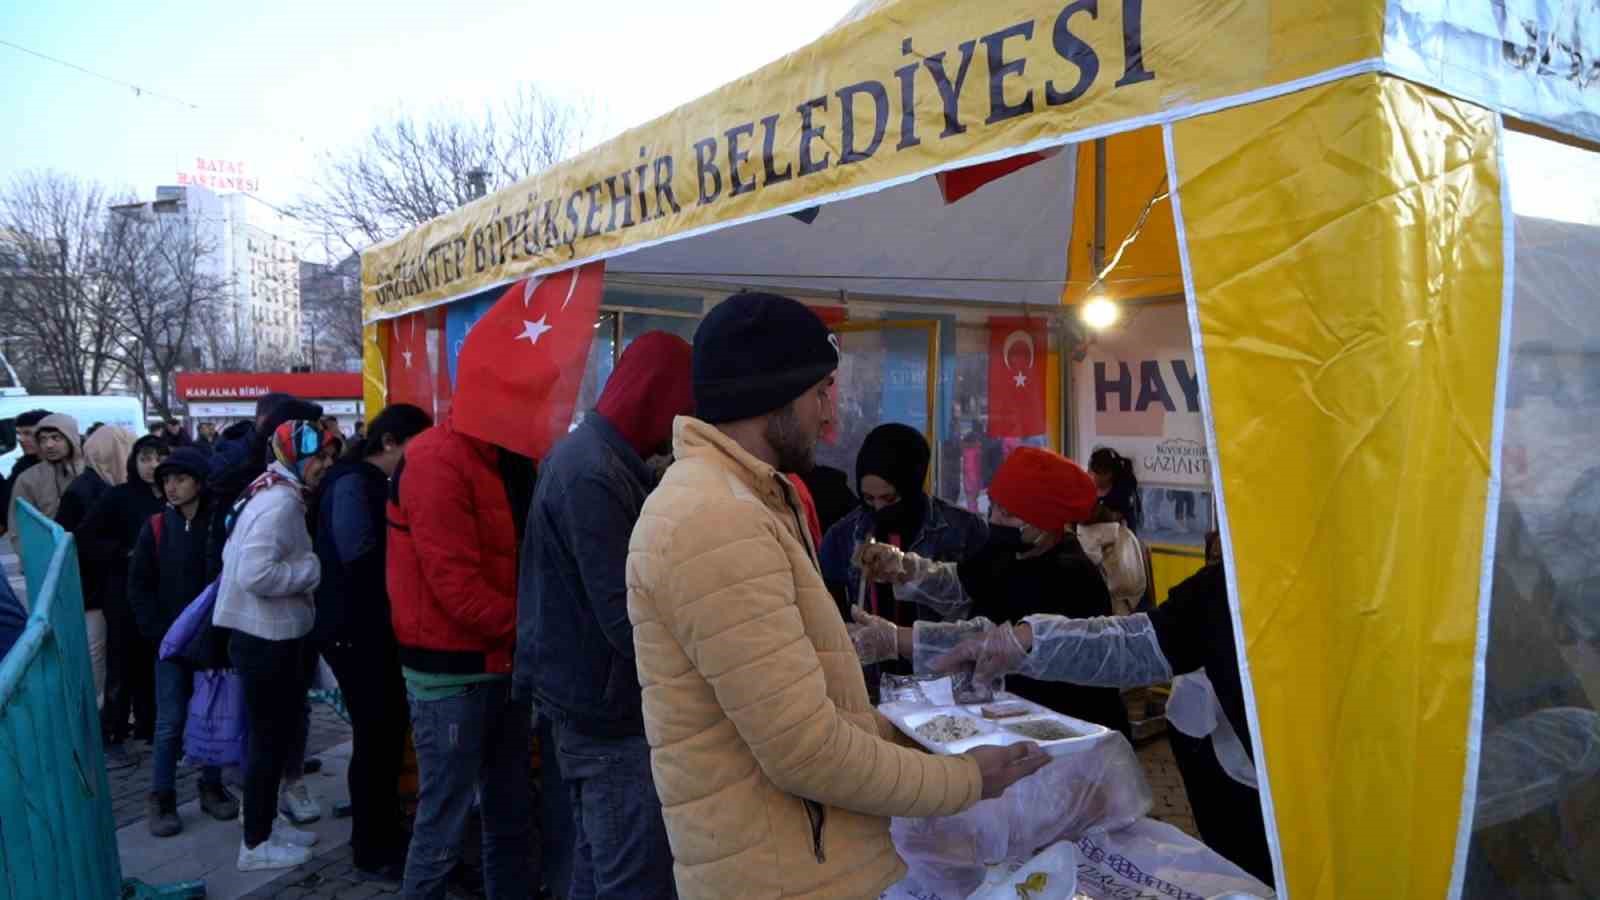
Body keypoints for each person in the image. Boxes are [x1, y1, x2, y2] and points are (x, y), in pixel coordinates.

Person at [627, 292, 1047, 900]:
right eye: (822, 390)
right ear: (772, 391)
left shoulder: (750, 500)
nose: (831, 416)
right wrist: (961, 779)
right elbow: (805, 752)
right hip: (783, 876)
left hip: (807, 861)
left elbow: (809, 707)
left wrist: (910, 739)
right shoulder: (712, 519)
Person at [924, 558, 1274, 885]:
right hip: (1250, 780)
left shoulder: (1074, 568)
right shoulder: (1226, 583)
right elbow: (1144, 642)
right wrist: (1022, 643)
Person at [519, 332, 693, 900]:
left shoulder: (599, 459)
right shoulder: (592, 474)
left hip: (592, 700)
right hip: (607, 712)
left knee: (599, 865)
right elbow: (625, 618)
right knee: (630, 876)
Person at [852, 448, 1133, 739]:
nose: (995, 518)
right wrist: (904, 568)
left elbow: (987, 641)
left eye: (1008, 514)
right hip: (1009, 714)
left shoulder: (1070, 576)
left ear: (1045, 521)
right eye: (994, 506)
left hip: (1071, 726)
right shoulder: (1009, 550)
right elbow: (963, 583)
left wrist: (897, 638)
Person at [388, 410, 533, 900]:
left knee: (508, 816)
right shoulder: (436, 457)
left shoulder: (507, 454)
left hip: (502, 665)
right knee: (443, 827)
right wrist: (535, 628)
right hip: (453, 675)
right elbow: (458, 589)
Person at [310, 403, 432, 883]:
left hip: (369, 631)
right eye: (416, 447)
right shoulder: (352, 484)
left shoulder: (367, 483)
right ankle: (371, 846)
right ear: (390, 442)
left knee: (382, 735)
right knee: (375, 737)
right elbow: (359, 556)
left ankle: (383, 833)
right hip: (354, 633)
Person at [214, 420, 333, 871]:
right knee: (268, 742)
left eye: (327, 456)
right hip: (268, 639)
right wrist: (310, 570)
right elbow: (253, 572)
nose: (325, 465)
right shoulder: (280, 502)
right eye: (318, 456)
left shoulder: (268, 490)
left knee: (273, 740)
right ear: (295, 455)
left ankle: (264, 825)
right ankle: (256, 843)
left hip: (264, 636)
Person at [129, 447, 241, 836]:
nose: (172, 488)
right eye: (166, 482)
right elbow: (139, 584)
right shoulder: (156, 527)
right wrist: (157, 631)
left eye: (179, 479)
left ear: (198, 481)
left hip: (213, 640)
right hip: (171, 644)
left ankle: (211, 786)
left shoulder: (221, 525)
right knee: (169, 722)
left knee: (210, 715)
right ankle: (162, 797)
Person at [819, 424, 988, 638]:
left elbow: (982, 610)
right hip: (869, 667)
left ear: (912, 487)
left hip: (943, 665)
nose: (878, 509)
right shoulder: (842, 537)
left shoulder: (964, 529)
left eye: (889, 499)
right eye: (868, 499)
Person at [78, 433, 169, 765]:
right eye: (145, 458)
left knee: (155, 665)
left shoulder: (175, 495)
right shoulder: (118, 497)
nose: (152, 466)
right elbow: (86, 537)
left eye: (159, 458)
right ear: (134, 461)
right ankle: (112, 733)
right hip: (123, 594)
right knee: (122, 667)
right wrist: (123, 554)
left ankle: (149, 729)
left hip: (162, 597)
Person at [56, 425, 136, 722]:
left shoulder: (100, 484)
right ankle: (97, 717)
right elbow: (77, 541)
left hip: (98, 589)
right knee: (97, 656)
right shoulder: (88, 490)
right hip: (94, 590)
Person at [9, 414, 85, 568]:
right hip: (44, 561)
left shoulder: (88, 474)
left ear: (71, 438)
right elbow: (18, 525)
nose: (48, 445)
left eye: (56, 438)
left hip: (87, 560)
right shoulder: (28, 479)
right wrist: (30, 557)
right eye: (43, 439)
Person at [1089, 447, 1142, 534]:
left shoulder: (1123, 491)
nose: (1091, 475)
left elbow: (1120, 519)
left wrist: (1102, 513)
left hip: (1121, 540)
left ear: (1108, 474)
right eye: (1090, 471)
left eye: (1095, 473)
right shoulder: (1089, 489)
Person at [9, 408, 53, 482]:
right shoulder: (23, 465)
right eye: (18, 433)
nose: (20, 439)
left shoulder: (68, 468)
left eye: (28, 433)